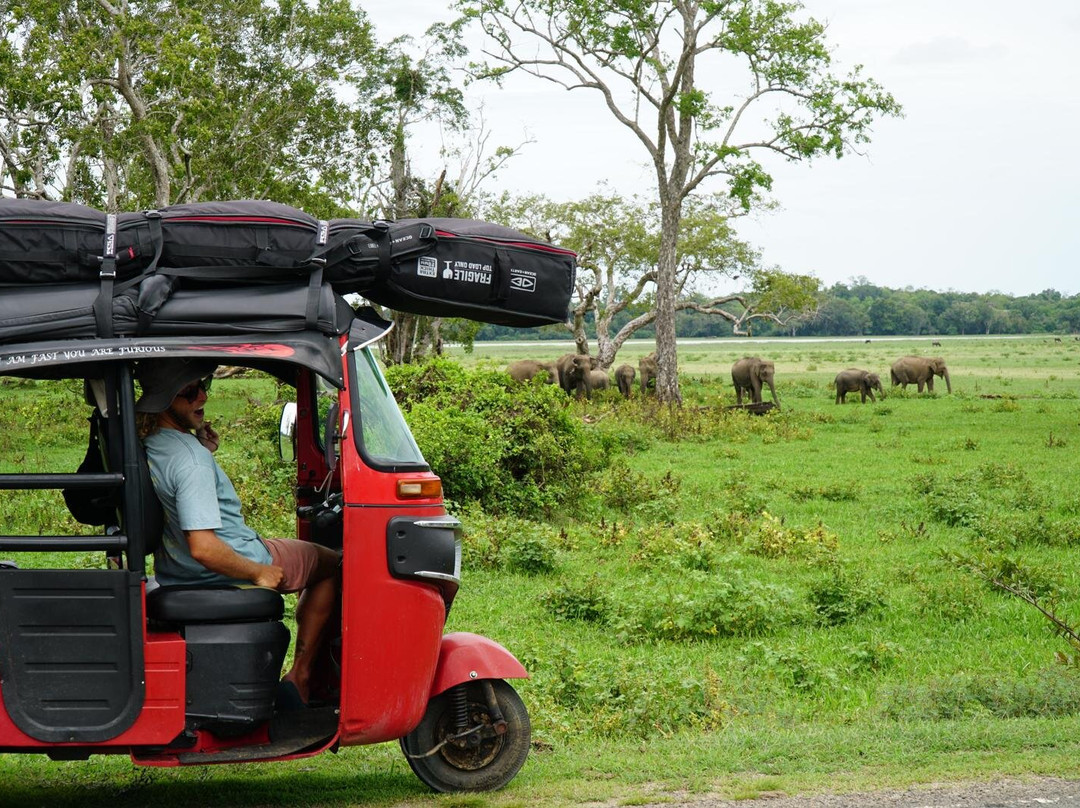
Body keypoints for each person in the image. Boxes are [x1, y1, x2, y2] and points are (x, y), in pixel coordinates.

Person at [135, 357, 339, 707]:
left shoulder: (150, 443)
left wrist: (204, 451)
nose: (202, 397)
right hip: (226, 560)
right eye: (189, 391)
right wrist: (260, 571)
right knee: (332, 564)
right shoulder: (190, 461)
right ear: (165, 398)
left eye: (204, 386)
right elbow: (203, 548)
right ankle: (302, 676)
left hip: (175, 570)